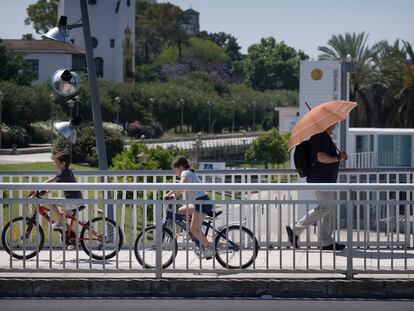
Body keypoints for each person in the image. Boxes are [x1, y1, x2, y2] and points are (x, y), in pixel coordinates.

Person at [286, 124, 348, 251]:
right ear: (326, 124)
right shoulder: (320, 137)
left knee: (330, 209)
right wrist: (338, 157)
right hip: (321, 179)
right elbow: (321, 157)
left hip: (326, 179)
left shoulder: (323, 137)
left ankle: (326, 242)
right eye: (333, 124)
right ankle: (295, 228)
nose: (335, 126)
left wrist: (338, 157)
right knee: (325, 208)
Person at [164, 156, 214, 259]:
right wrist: (174, 195)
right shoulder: (189, 173)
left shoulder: (185, 173)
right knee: (181, 210)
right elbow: (183, 188)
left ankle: (208, 248)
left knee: (193, 229)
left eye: (175, 169)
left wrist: (168, 194)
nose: (175, 172)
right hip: (201, 201)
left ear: (181, 167)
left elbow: (181, 185)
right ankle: (195, 236)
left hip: (202, 203)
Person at [31, 151, 83, 231]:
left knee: (50, 202)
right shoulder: (67, 172)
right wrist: (46, 190)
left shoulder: (63, 173)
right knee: (63, 217)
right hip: (75, 200)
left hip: (73, 201)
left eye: (56, 162)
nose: (54, 164)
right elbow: (54, 183)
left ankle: (62, 222)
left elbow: (50, 180)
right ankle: (69, 235)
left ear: (63, 163)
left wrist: (36, 188)